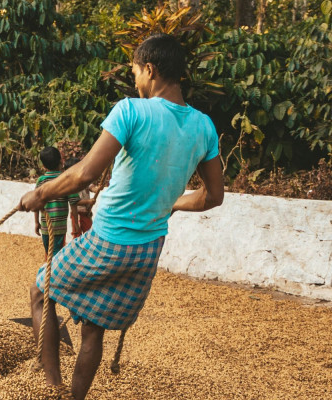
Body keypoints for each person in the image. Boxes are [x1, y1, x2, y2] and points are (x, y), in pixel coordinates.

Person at [19, 34, 224, 400]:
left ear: (151, 69)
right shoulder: (204, 126)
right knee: (93, 331)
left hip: (108, 240)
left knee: (40, 292)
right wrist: (173, 203)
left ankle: (51, 386)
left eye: (135, 72)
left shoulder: (131, 110)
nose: (134, 81)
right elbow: (213, 196)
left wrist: (39, 194)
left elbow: (84, 174)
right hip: (147, 250)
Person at [33, 147, 80, 260]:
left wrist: (36, 222)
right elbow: (73, 202)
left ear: (43, 166)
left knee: (49, 252)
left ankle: (48, 274)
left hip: (45, 226)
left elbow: (36, 203)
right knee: (56, 253)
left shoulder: (41, 181)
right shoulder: (65, 180)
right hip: (59, 226)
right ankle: (52, 274)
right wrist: (76, 224)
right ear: (61, 161)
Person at [64, 157, 95, 239]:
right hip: (76, 214)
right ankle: (77, 250)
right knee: (77, 234)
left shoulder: (86, 181)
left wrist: (98, 189)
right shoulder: (70, 185)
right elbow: (74, 202)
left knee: (89, 234)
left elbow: (93, 188)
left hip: (86, 213)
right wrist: (88, 201)